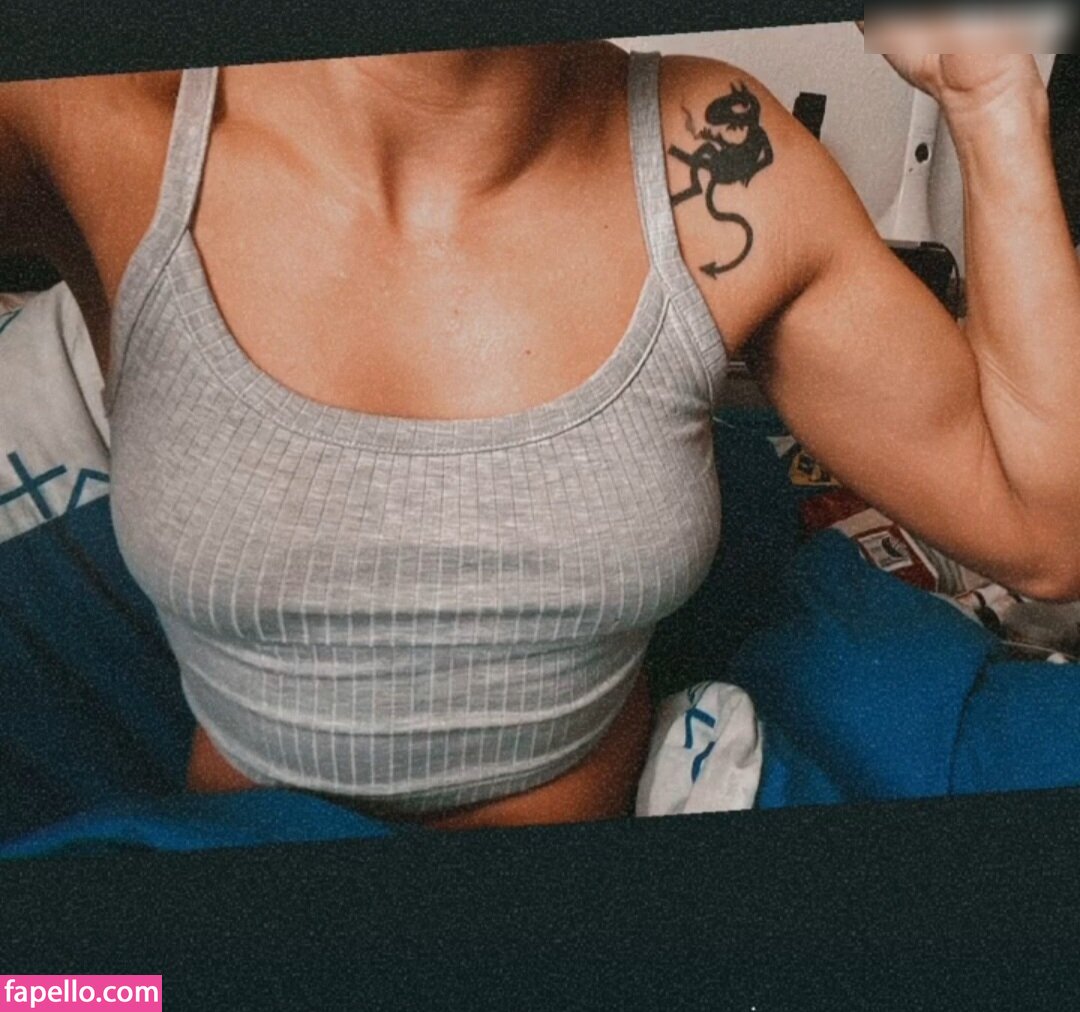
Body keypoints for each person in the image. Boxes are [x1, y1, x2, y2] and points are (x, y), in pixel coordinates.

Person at [0, 17, 1077, 831]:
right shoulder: (102, 113)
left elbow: (1044, 530)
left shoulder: (715, 151)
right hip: (243, 891)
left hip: (579, 917)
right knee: (63, 987)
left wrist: (990, 99)